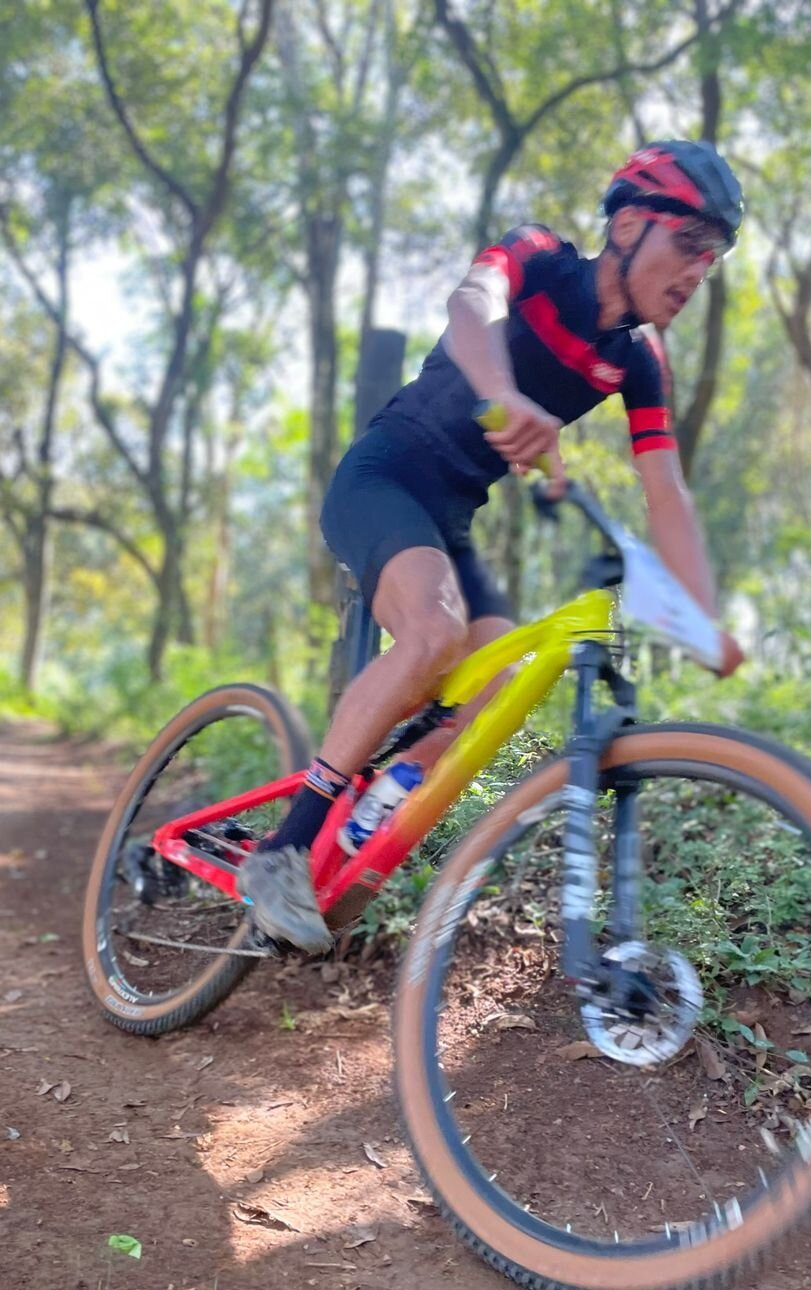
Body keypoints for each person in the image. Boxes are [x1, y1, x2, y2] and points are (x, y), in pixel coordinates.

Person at [241, 140, 746, 952]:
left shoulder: (640, 363)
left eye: (712, 257)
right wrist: (504, 393)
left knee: (494, 683)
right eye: (688, 243)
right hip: (383, 477)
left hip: (450, 517)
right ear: (626, 224)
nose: (697, 271)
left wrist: (703, 619)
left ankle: (360, 816)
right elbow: (471, 306)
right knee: (434, 632)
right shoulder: (542, 257)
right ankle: (285, 848)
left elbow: (666, 492)